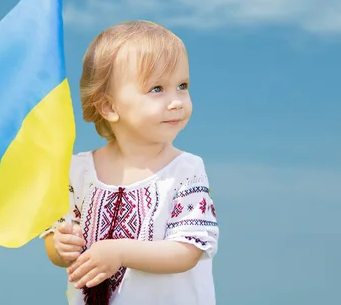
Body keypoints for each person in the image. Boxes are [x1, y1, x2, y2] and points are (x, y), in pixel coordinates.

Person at [40, 20, 219, 305]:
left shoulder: (185, 170)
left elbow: (187, 251)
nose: (176, 101)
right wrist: (61, 246)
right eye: (157, 89)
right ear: (109, 107)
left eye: (182, 86)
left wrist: (121, 252)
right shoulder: (78, 170)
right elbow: (55, 239)